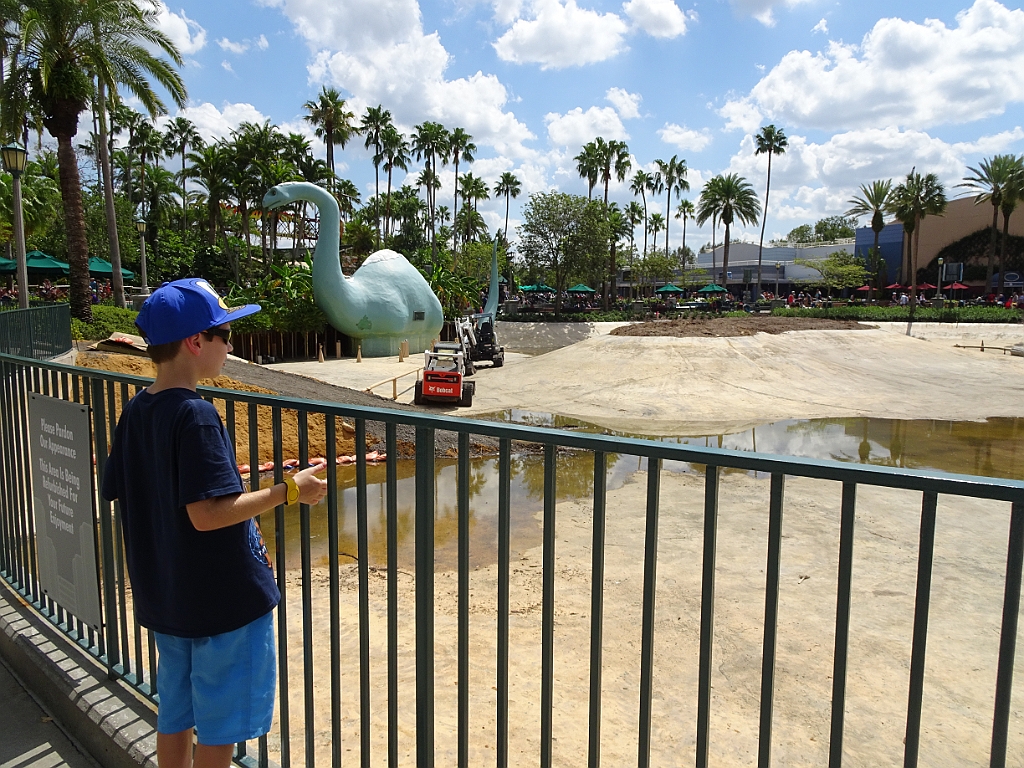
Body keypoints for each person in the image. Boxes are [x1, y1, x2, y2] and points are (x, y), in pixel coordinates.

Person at [101, 278, 327, 768]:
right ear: (194, 341)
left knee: (175, 713)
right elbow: (207, 515)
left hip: (167, 595)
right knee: (220, 728)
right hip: (222, 603)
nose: (229, 346)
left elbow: (121, 487)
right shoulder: (197, 415)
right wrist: (290, 490)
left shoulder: (137, 410)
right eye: (224, 334)